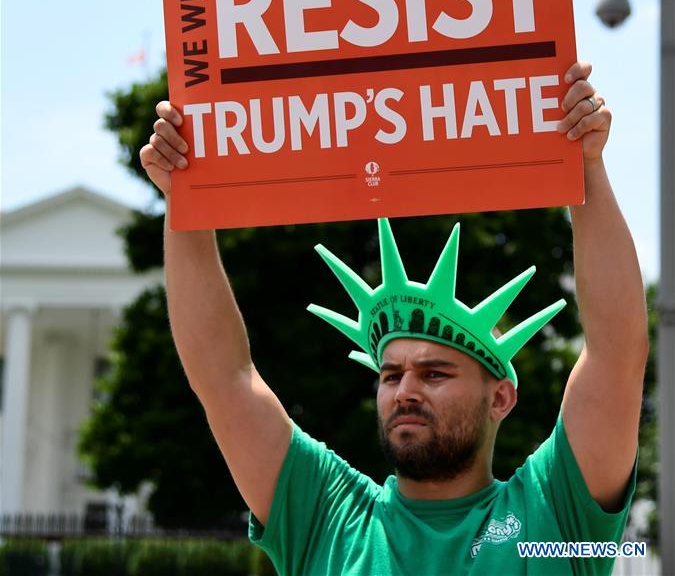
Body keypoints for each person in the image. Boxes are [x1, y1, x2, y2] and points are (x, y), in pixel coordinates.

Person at [141, 61, 648, 575]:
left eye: (434, 373)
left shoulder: (552, 514)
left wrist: (585, 165)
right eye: (390, 374)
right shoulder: (326, 513)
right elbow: (225, 379)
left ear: (500, 396)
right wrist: (186, 202)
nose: (404, 389)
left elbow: (617, 356)